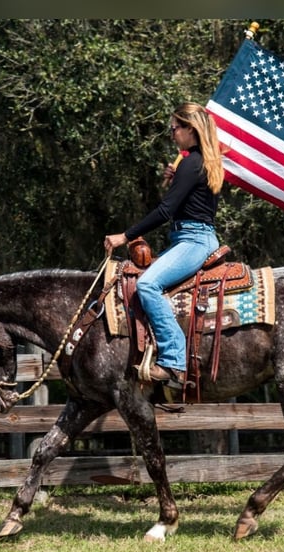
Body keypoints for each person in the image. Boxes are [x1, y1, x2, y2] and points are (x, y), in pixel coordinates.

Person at [104, 102, 225, 385]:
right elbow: (192, 202)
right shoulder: (201, 162)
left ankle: (173, 363)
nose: (172, 134)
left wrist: (126, 236)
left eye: (175, 128)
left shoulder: (192, 163)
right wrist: (177, 181)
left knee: (147, 285)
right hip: (195, 237)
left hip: (194, 241)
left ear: (190, 129)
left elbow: (165, 212)